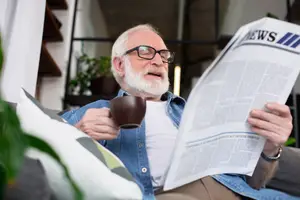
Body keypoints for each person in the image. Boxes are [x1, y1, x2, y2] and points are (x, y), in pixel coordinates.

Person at [61, 24, 296, 200]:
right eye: (145, 51)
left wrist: (270, 148)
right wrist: (75, 134)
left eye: (163, 55)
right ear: (120, 65)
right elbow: (35, 154)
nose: (158, 61)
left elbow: (254, 182)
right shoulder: (91, 113)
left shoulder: (199, 112)